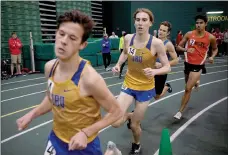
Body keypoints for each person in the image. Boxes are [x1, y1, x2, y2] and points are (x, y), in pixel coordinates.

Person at [16, 10, 123, 155]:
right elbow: (51, 97)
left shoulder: (90, 79)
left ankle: (111, 152)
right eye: (61, 34)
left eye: (72, 38)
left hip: (84, 146)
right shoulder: (50, 68)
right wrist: (32, 114)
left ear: (82, 45)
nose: (64, 41)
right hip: (56, 139)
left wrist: (85, 133)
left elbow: (116, 111)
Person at [111, 8, 171, 154]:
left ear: (150, 23)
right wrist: (118, 65)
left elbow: (167, 67)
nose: (140, 23)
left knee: (134, 126)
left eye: (144, 20)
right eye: (137, 20)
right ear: (134, 22)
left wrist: (155, 71)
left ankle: (136, 143)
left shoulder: (156, 43)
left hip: (145, 88)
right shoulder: (128, 38)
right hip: (129, 84)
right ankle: (131, 115)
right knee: (115, 122)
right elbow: (125, 54)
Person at [174, 14, 218, 120]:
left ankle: (180, 111)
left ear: (206, 24)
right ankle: (196, 81)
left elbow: (215, 49)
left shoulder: (210, 37)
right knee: (187, 83)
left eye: (201, 23)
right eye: (197, 23)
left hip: (198, 65)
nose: (198, 25)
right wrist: (186, 50)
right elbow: (178, 46)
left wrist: (212, 56)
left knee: (187, 88)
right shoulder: (189, 34)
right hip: (187, 63)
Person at [154, 21, 179, 100]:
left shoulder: (168, 44)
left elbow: (176, 60)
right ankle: (138, 109)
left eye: (164, 31)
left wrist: (162, 65)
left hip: (161, 72)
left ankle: (167, 87)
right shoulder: (154, 40)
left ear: (168, 33)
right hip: (151, 70)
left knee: (156, 97)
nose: (161, 32)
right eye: (160, 29)